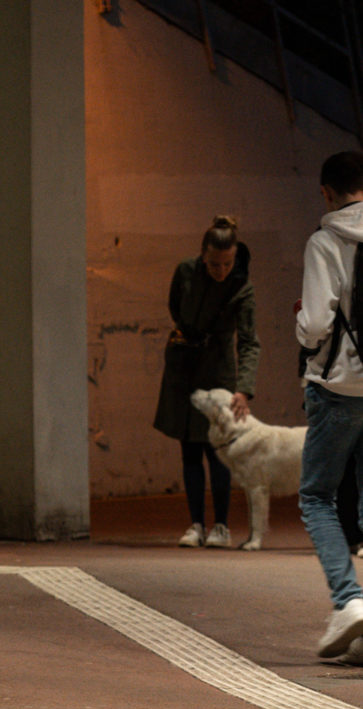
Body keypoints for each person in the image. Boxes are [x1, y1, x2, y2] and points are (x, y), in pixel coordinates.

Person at [153, 215, 261, 547]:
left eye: (227, 263)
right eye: (214, 263)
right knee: (189, 447)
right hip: (184, 366)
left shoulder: (242, 287)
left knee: (218, 450)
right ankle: (196, 524)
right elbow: (176, 308)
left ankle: (222, 526)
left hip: (219, 372)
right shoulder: (185, 272)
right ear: (203, 255)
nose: (221, 270)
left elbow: (248, 342)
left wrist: (243, 389)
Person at [297, 150, 363, 662]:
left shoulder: (324, 242)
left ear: (326, 192)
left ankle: (350, 602)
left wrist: (301, 327)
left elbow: (317, 324)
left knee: (317, 497)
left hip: (338, 386)